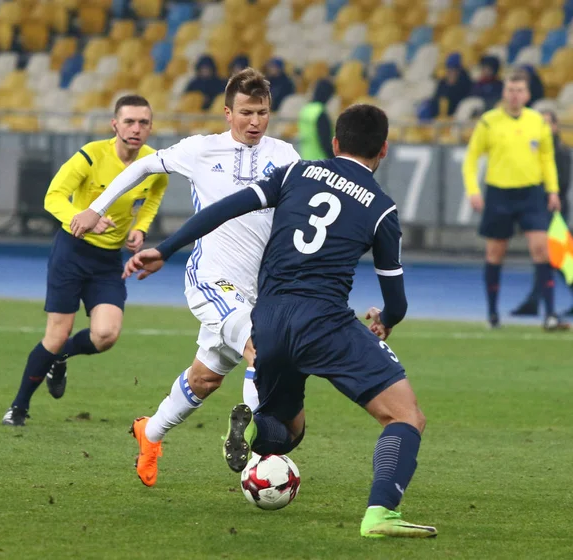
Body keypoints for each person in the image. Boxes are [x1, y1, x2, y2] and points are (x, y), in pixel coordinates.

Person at [123, 104, 437, 539]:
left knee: (289, 429)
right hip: (324, 321)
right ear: (383, 149)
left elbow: (224, 209)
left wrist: (167, 248)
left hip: (266, 320)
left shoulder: (296, 173)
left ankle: (254, 427)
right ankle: (381, 512)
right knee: (405, 417)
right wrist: (385, 319)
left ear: (334, 144)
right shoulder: (382, 209)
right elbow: (396, 302)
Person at [69, 68, 300, 487]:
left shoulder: (285, 155)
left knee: (205, 377)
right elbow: (142, 168)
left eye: (262, 113)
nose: (254, 122)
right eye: (246, 112)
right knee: (260, 349)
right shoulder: (200, 150)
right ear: (227, 113)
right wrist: (97, 208)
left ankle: (149, 433)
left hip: (259, 289)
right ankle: (257, 460)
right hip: (211, 279)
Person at [1, 95, 168, 427]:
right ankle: (18, 407)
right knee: (56, 334)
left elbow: (153, 196)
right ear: (115, 125)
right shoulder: (91, 156)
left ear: (151, 126)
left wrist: (141, 228)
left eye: (143, 123)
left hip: (108, 261)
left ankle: (61, 359)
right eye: (129, 121)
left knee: (106, 334)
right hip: (72, 253)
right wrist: (83, 216)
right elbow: (52, 197)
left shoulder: (153, 164)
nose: (136, 129)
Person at [462, 70, 568, 330]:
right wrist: (473, 190)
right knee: (495, 252)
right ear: (504, 92)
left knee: (542, 249)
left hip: (531, 193)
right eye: (510, 90)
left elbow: (546, 158)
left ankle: (551, 313)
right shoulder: (489, 122)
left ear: (528, 94)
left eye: (520, 90)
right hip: (499, 193)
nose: (515, 95)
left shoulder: (537, 122)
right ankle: (493, 314)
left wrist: (552, 191)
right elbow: (471, 159)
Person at [512, 110, 573, 316]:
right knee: (552, 259)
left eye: (548, 123)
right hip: (539, 208)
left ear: (555, 127)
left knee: (559, 260)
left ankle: (534, 301)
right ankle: (534, 301)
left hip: (554, 211)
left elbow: (562, 184)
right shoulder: (536, 150)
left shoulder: (560, 151)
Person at [297, 78, 335, 159]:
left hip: (305, 157)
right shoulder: (320, 113)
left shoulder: (306, 110)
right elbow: (325, 142)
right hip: (320, 160)